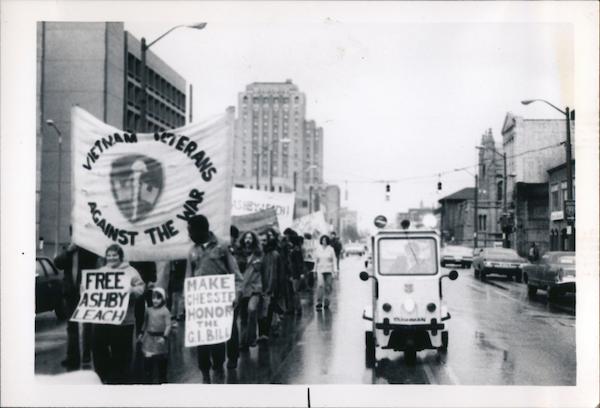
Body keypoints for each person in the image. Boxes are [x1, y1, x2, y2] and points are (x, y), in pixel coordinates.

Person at [185, 215, 244, 383]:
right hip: (200, 302)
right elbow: (189, 277)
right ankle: (205, 372)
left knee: (220, 337)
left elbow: (235, 273)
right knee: (201, 338)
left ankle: (219, 368)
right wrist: (187, 301)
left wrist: (236, 294)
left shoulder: (222, 247)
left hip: (222, 300)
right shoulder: (192, 251)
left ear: (201, 230)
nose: (189, 234)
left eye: (190, 231)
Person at [91, 244, 145, 384]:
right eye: (109, 255)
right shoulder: (101, 271)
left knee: (121, 351)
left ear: (120, 256)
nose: (111, 258)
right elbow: (93, 289)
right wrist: (86, 290)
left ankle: (119, 380)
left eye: (114, 255)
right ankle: (103, 376)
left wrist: (132, 290)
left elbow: (141, 288)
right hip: (102, 319)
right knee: (99, 348)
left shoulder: (131, 272)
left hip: (123, 320)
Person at [53, 242, 100, 370]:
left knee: (87, 325)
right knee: (71, 326)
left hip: (86, 292)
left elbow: (96, 263)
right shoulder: (67, 249)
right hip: (70, 293)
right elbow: (58, 263)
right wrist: (69, 251)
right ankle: (72, 357)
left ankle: (86, 356)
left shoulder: (90, 248)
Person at [236, 231, 264, 350]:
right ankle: (243, 342)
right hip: (242, 288)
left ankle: (251, 338)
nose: (248, 240)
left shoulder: (259, 254)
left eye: (250, 238)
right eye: (246, 238)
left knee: (252, 309)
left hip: (255, 287)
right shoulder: (238, 254)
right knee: (243, 316)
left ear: (254, 240)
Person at [137, 287, 171, 384]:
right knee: (148, 360)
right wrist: (141, 333)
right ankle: (148, 379)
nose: (155, 300)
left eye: (158, 298)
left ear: (163, 299)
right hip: (149, 338)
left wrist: (164, 337)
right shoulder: (148, 310)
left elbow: (168, 325)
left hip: (160, 338)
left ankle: (162, 380)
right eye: (153, 298)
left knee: (161, 360)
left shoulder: (165, 311)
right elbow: (145, 323)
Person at [259, 228, 286, 340]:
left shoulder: (274, 254)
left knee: (268, 309)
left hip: (270, 286)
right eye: (261, 240)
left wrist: (273, 288)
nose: (262, 243)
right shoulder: (258, 254)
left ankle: (265, 332)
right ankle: (263, 332)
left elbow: (275, 273)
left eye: (265, 240)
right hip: (259, 285)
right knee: (262, 309)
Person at [314, 235, 338, 310]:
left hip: (329, 270)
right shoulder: (318, 249)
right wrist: (314, 270)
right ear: (321, 241)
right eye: (323, 240)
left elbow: (334, 260)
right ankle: (319, 302)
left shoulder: (331, 249)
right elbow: (316, 261)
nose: (324, 241)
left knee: (328, 287)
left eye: (325, 240)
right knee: (320, 286)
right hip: (320, 269)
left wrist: (335, 271)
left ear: (327, 241)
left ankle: (327, 302)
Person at [289, 234, 305, 316]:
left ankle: (298, 308)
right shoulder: (298, 251)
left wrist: (300, 273)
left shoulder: (295, 251)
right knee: (296, 291)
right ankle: (297, 308)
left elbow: (299, 263)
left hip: (295, 273)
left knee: (295, 291)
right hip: (296, 273)